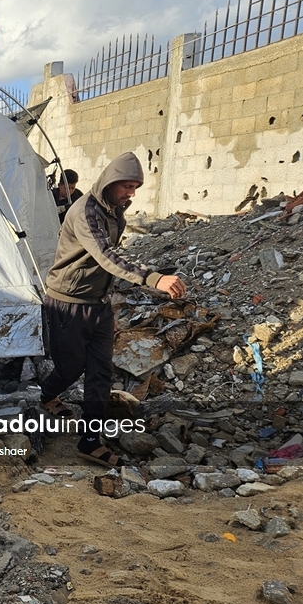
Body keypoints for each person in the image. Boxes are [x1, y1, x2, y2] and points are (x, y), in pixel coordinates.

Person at [39, 152, 186, 466]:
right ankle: (47, 395)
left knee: (101, 374)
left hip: (99, 305)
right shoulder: (85, 212)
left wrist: (110, 298)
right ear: (110, 182)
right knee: (70, 368)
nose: (131, 193)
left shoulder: (115, 210)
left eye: (135, 187)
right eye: (127, 186)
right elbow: (106, 254)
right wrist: (153, 278)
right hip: (68, 302)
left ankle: (90, 441)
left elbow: (109, 259)